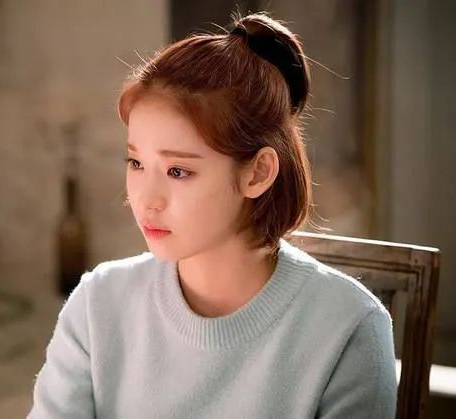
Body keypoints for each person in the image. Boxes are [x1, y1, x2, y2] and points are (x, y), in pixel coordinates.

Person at [27, 11, 397, 419]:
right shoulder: (98, 304)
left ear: (258, 173)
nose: (146, 199)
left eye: (178, 171)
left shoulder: (347, 328)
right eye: (136, 163)